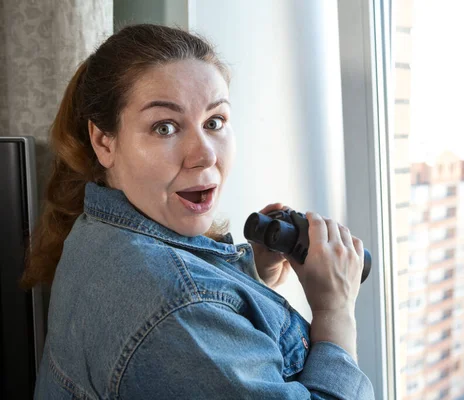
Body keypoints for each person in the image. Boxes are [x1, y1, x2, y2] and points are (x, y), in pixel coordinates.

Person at [24, 24, 374, 399]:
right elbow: (178, 313)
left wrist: (253, 278)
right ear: (103, 141)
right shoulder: (175, 308)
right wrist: (334, 309)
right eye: (165, 127)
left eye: (214, 122)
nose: (205, 153)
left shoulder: (98, 232)